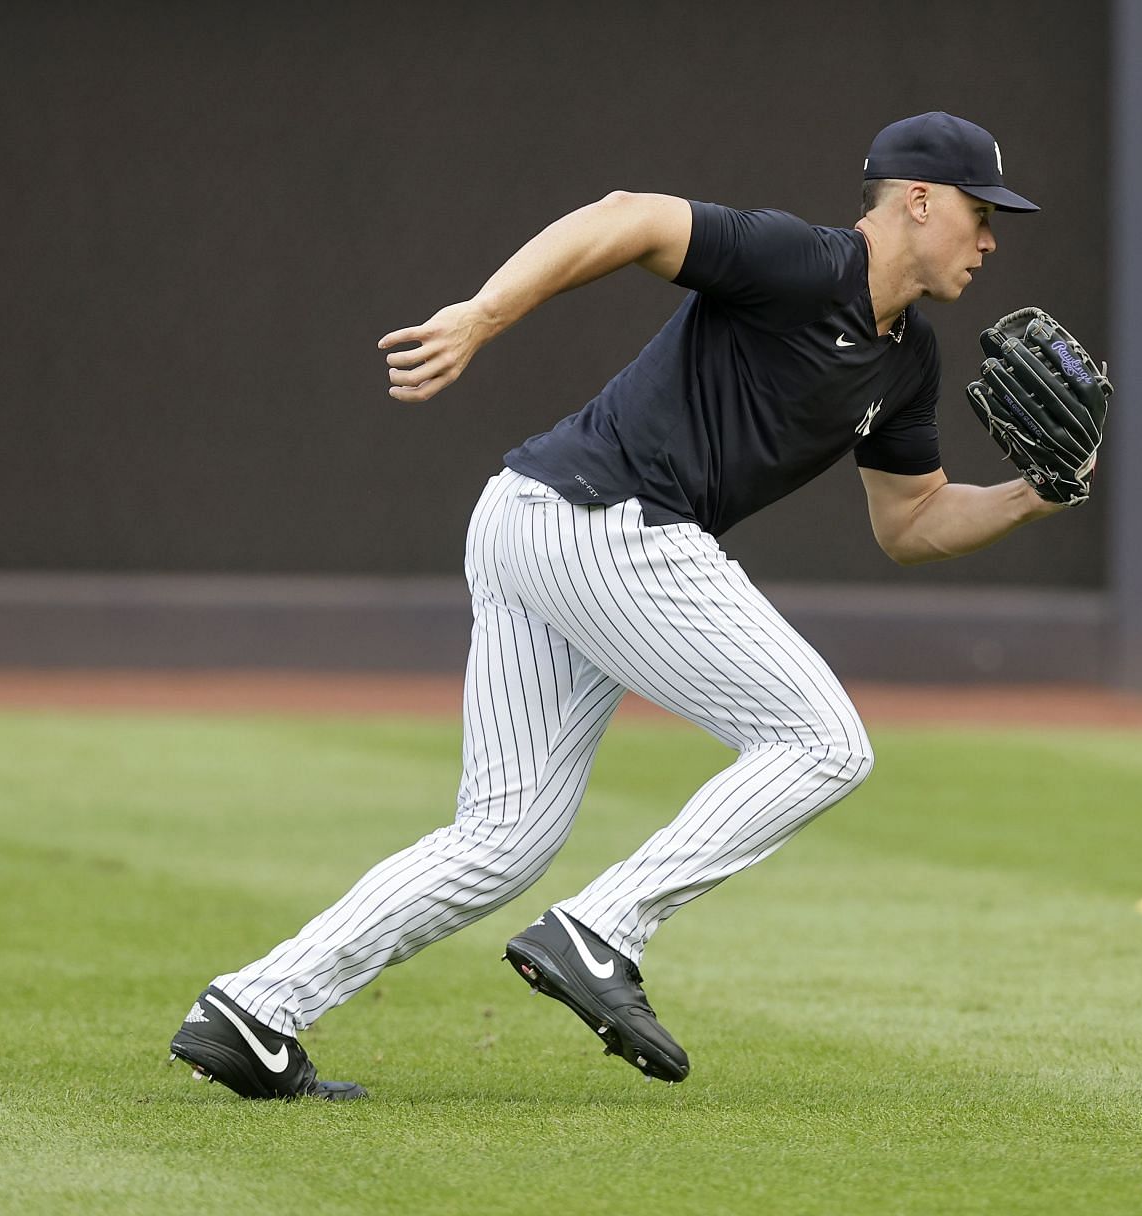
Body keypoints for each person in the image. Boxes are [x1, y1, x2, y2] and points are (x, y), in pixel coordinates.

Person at [169, 111, 1075, 1098]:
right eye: (980, 213)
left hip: (543, 520)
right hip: (602, 522)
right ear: (918, 199)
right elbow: (627, 216)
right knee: (823, 741)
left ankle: (254, 1009)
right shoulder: (805, 262)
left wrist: (1036, 492)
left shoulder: (908, 361)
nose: (990, 239)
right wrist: (483, 312)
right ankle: (604, 930)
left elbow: (914, 520)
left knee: (500, 840)